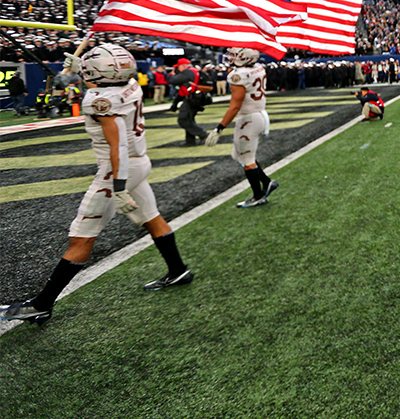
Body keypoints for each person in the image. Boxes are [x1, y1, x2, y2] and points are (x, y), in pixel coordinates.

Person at [0, 45, 193, 325]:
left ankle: (41, 304)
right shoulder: (130, 86)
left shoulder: (98, 99)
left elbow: (119, 145)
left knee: (82, 236)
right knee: (150, 218)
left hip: (118, 168)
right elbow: (107, 83)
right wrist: (80, 66)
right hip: (140, 162)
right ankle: (178, 270)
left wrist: (119, 185)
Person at [205, 48, 278, 208]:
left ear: (244, 58)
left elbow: (235, 106)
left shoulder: (238, 75)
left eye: (234, 55)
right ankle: (266, 182)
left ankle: (258, 195)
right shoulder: (259, 68)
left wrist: (219, 128)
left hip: (248, 119)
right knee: (237, 155)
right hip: (258, 114)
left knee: (247, 160)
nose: (230, 57)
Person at [169, 58, 212, 146]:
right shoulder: (193, 71)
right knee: (189, 119)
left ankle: (203, 134)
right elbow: (183, 89)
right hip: (195, 98)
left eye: (178, 67)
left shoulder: (188, 72)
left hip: (192, 99)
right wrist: (175, 103)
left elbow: (173, 81)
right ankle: (190, 141)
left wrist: (173, 74)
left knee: (183, 119)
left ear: (183, 66)